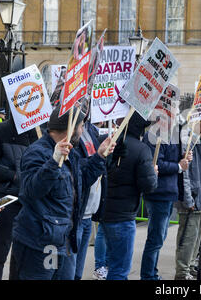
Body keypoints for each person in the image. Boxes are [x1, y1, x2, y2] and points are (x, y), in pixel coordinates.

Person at [10, 107, 115, 280]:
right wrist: (53, 162)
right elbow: (30, 190)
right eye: (81, 126)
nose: (83, 130)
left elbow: (80, 182)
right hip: (41, 244)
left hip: (65, 240)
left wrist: (99, 157)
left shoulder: (70, 152)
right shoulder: (37, 152)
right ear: (70, 128)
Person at [0, 115, 39, 280]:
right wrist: (14, 176)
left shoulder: (40, 131)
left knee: (22, 252)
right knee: (0, 249)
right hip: (7, 198)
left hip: (32, 201)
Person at [100, 112, 158, 280]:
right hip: (123, 217)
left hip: (106, 213)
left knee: (114, 264)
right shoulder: (141, 149)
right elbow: (149, 186)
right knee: (119, 270)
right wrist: (153, 174)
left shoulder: (107, 142)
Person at [140, 128, 192, 280]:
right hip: (158, 193)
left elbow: (173, 159)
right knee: (156, 238)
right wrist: (178, 166)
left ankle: (151, 273)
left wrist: (184, 158)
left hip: (168, 192)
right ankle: (148, 275)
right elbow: (156, 163)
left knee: (159, 237)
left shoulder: (172, 133)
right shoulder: (155, 134)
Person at [175, 120, 201, 280]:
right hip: (193, 200)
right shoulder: (188, 140)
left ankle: (189, 267)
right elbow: (185, 174)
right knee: (188, 238)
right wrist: (188, 199)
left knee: (196, 237)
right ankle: (182, 272)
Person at [73, 119, 108, 280]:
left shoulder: (89, 132)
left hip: (89, 212)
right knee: (69, 268)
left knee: (78, 270)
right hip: (78, 212)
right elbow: (78, 168)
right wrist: (97, 158)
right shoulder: (72, 135)